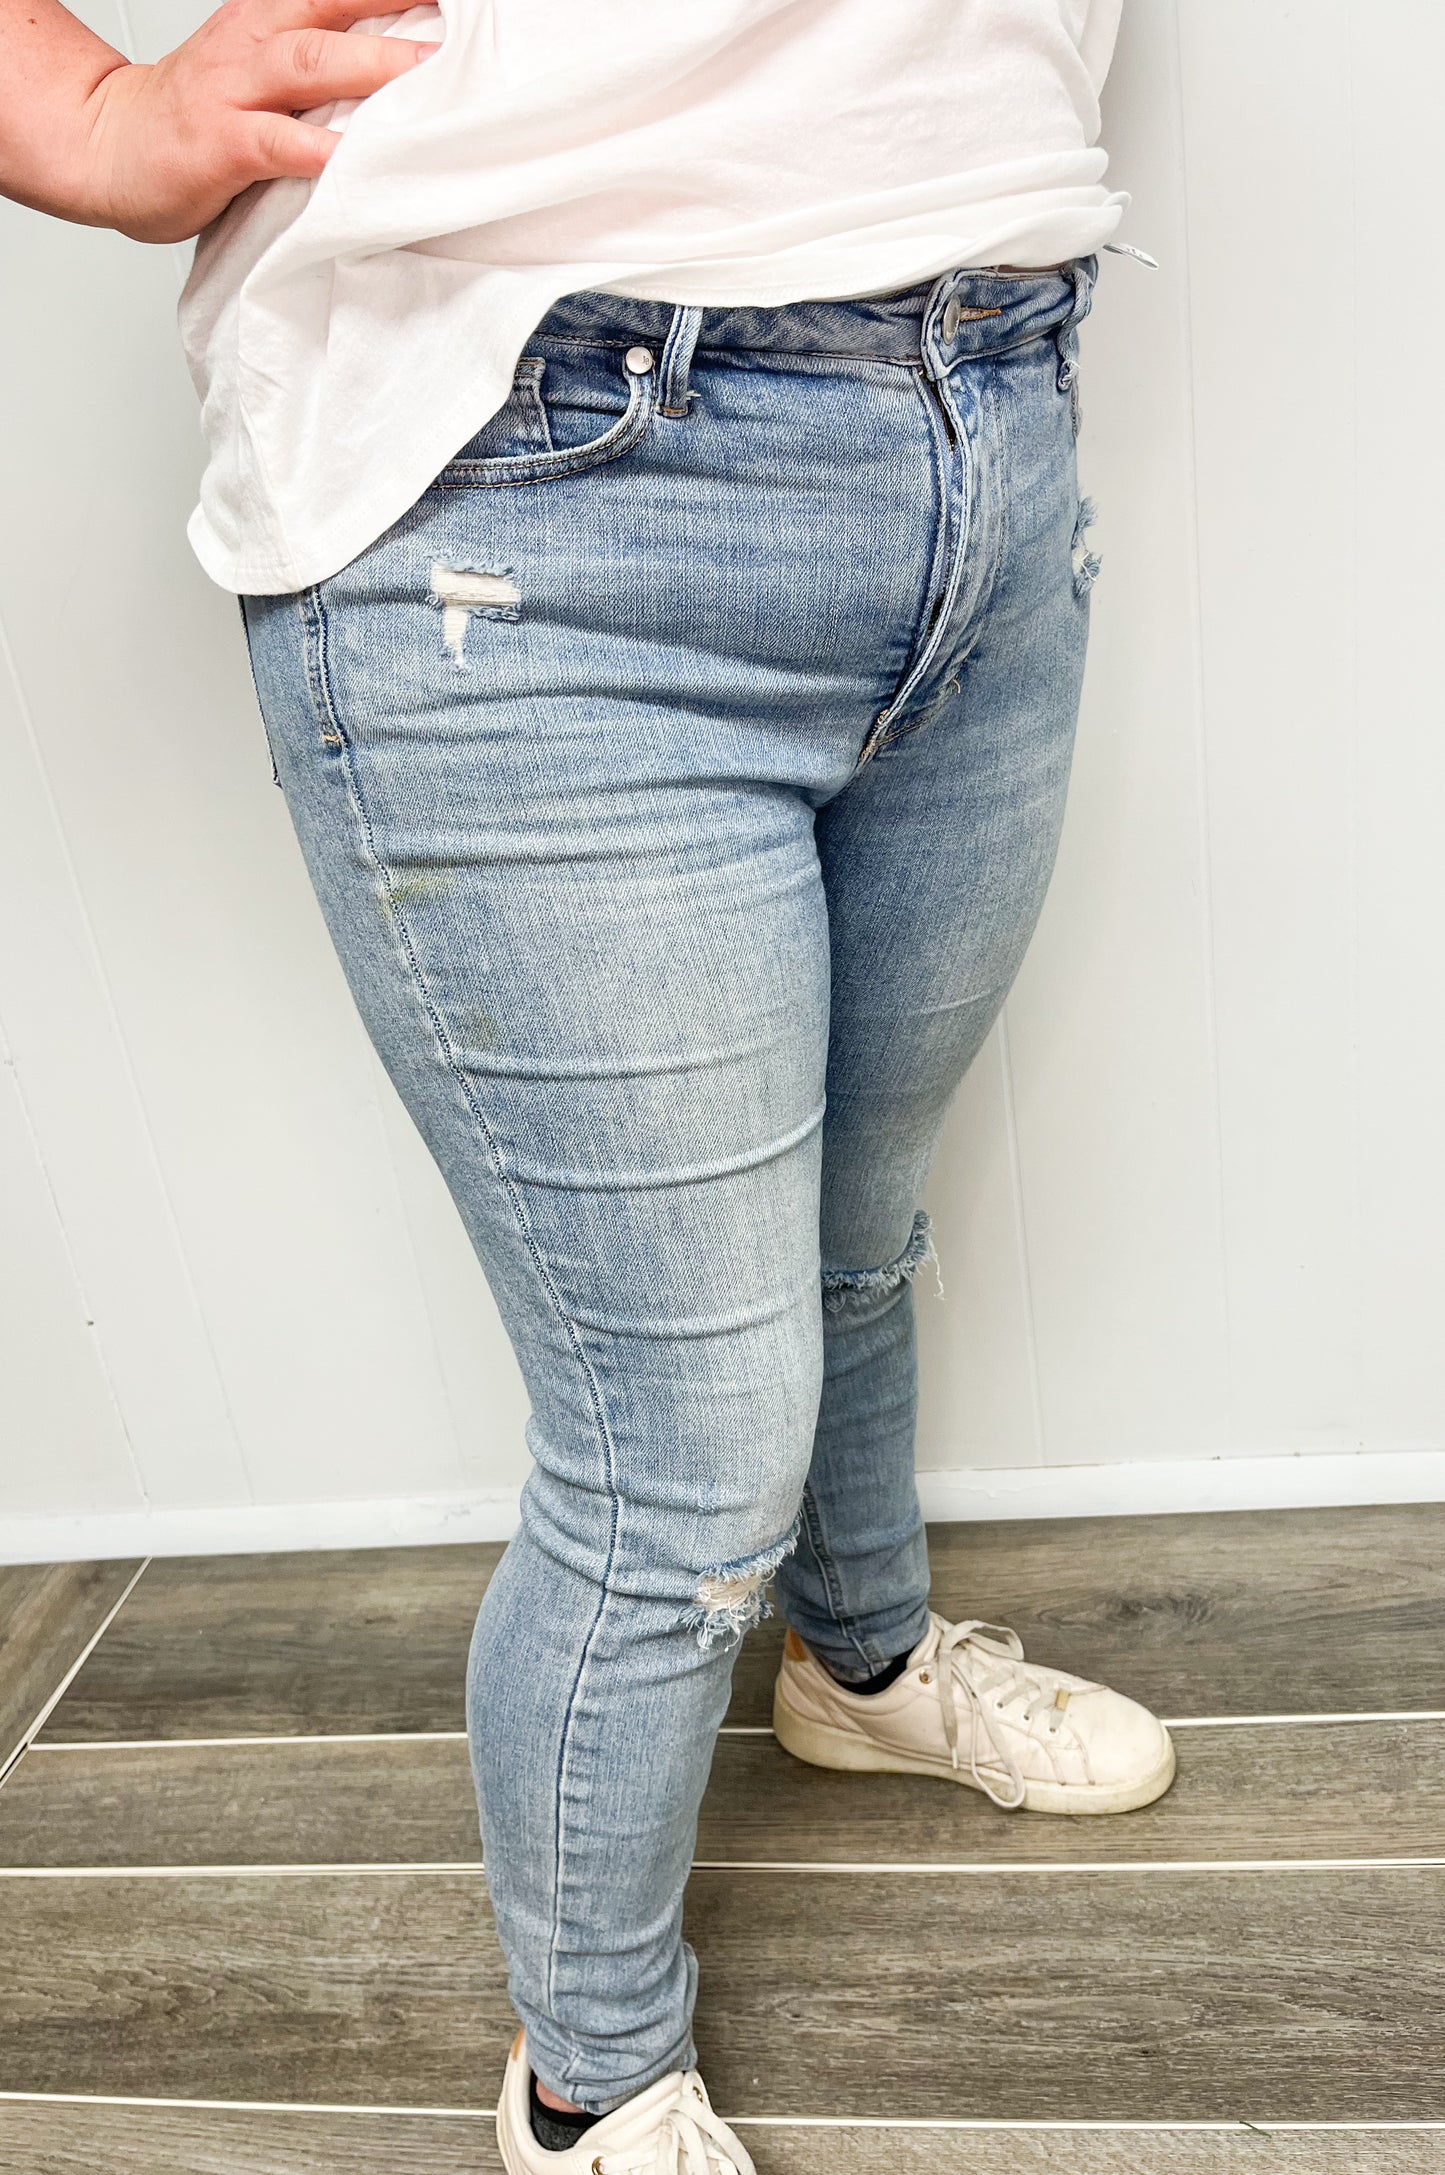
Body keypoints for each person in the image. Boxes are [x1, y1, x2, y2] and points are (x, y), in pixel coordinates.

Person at [0, 3, 1175, 2166]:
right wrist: (80, 106)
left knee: (858, 1217)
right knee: (676, 1453)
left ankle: (860, 1665)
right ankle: (590, 2075)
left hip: (990, 403)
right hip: (524, 483)